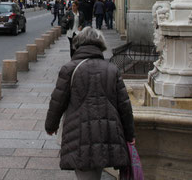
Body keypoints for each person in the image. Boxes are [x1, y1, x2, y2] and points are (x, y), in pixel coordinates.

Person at [45, 27, 135, 179]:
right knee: (96, 172)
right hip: (106, 131)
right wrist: (129, 134)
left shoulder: (69, 69)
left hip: (78, 131)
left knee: (85, 173)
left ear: (78, 44)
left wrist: (50, 126)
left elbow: (57, 101)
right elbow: (124, 106)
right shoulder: (111, 69)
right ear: (101, 45)